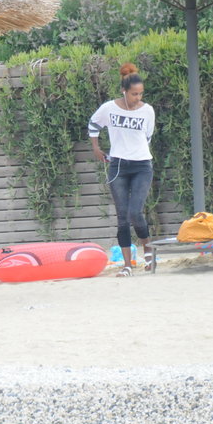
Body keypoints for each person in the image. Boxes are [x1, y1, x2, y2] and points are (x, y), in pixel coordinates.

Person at [89, 63, 156, 277]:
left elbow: (147, 136)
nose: (138, 98)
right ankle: (127, 265)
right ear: (124, 91)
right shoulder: (109, 108)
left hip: (142, 165)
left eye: (141, 94)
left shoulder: (147, 110)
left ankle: (149, 252)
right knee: (122, 217)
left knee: (135, 212)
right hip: (118, 165)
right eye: (134, 94)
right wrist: (96, 148)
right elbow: (93, 125)